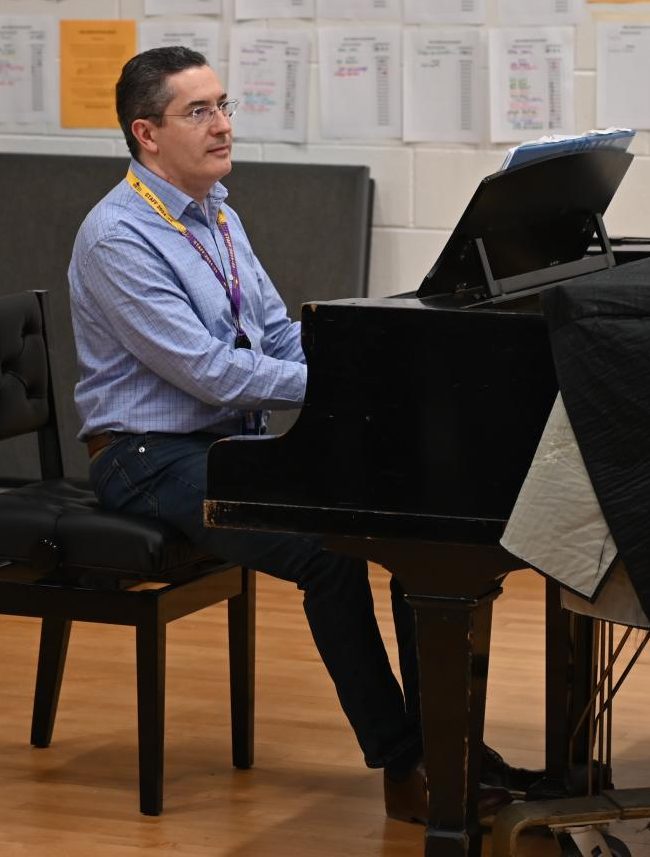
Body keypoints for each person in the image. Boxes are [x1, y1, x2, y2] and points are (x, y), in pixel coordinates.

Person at [68, 46, 529, 824]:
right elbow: (211, 372)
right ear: (146, 133)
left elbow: (276, 336)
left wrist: (365, 358)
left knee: (406, 525)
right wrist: (348, 387)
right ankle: (402, 760)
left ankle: (449, 744)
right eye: (199, 111)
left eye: (224, 105)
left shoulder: (218, 210)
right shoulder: (117, 237)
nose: (223, 125)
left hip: (223, 442)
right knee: (329, 555)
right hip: (144, 455)